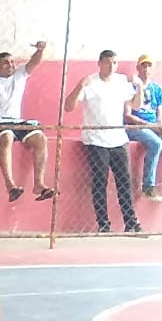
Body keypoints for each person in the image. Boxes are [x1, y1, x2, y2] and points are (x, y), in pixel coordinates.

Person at [64, 50, 141, 234]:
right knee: (100, 182)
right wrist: (79, 86)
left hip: (119, 139)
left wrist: (140, 87)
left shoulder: (121, 81)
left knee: (124, 182)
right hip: (96, 140)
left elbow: (136, 105)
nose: (112, 66)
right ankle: (103, 224)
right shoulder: (90, 82)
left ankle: (131, 222)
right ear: (99, 63)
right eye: (108, 62)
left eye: (115, 63)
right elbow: (68, 106)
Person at [0, 42, 53, 202]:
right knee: (6, 137)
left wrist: (40, 50)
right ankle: (10, 186)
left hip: (17, 121)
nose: (11, 65)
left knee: (41, 139)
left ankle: (39, 184)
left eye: (12, 62)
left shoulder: (20, 73)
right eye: (6, 62)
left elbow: (34, 62)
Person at [126, 55, 162, 200]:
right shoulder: (130, 87)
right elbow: (128, 116)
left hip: (154, 126)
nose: (146, 69)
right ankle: (148, 186)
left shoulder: (156, 89)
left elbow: (161, 113)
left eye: (149, 66)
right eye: (143, 66)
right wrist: (151, 126)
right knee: (156, 143)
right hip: (136, 127)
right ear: (138, 68)